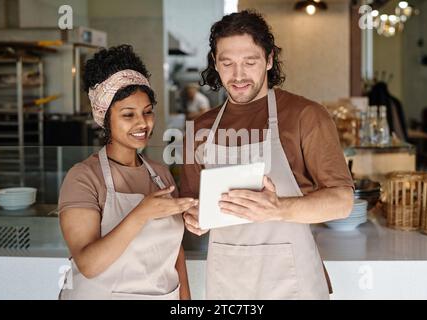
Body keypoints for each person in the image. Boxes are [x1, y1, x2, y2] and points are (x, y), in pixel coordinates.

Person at [180, 10, 354, 300]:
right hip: (228, 284)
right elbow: (191, 208)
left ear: (269, 59)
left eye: (250, 62)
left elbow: (342, 202)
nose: (238, 76)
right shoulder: (199, 129)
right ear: (215, 63)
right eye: (227, 63)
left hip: (292, 283)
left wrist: (277, 208)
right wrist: (193, 218)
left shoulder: (306, 116)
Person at [58, 45, 197, 300]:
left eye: (147, 112)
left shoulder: (160, 175)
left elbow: (175, 252)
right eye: (128, 115)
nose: (142, 123)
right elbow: (89, 264)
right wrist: (141, 213)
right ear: (104, 118)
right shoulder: (83, 178)